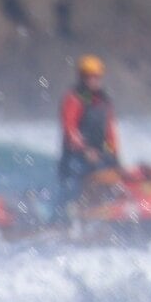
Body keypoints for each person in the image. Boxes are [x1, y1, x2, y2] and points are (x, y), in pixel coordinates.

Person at [59, 54, 122, 209]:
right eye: (89, 77)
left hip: (100, 156)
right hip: (76, 158)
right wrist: (85, 150)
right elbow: (69, 129)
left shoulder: (104, 101)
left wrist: (115, 156)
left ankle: (106, 213)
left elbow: (110, 132)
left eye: (96, 77)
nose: (93, 80)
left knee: (114, 182)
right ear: (82, 78)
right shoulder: (74, 99)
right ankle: (69, 219)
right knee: (73, 191)